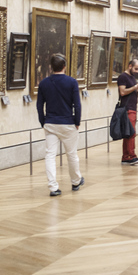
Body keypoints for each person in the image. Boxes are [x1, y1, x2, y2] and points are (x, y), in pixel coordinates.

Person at [37, 53, 84, 196]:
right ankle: (75, 181)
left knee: (50, 155)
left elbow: (39, 106)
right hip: (68, 123)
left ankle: (53, 187)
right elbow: (77, 105)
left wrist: (43, 122)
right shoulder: (71, 82)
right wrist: (77, 122)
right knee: (72, 154)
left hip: (50, 123)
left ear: (51, 67)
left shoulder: (44, 83)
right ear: (64, 66)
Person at [117, 59, 138, 165]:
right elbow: (123, 92)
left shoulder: (132, 77)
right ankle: (131, 156)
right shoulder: (123, 77)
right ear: (130, 66)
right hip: (127, 109)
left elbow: (134, 94)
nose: (137, 71)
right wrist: (135, 86)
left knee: (128, 133)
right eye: (136, 69)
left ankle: (125, 157)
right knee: (131, 133)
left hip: (133, 107)